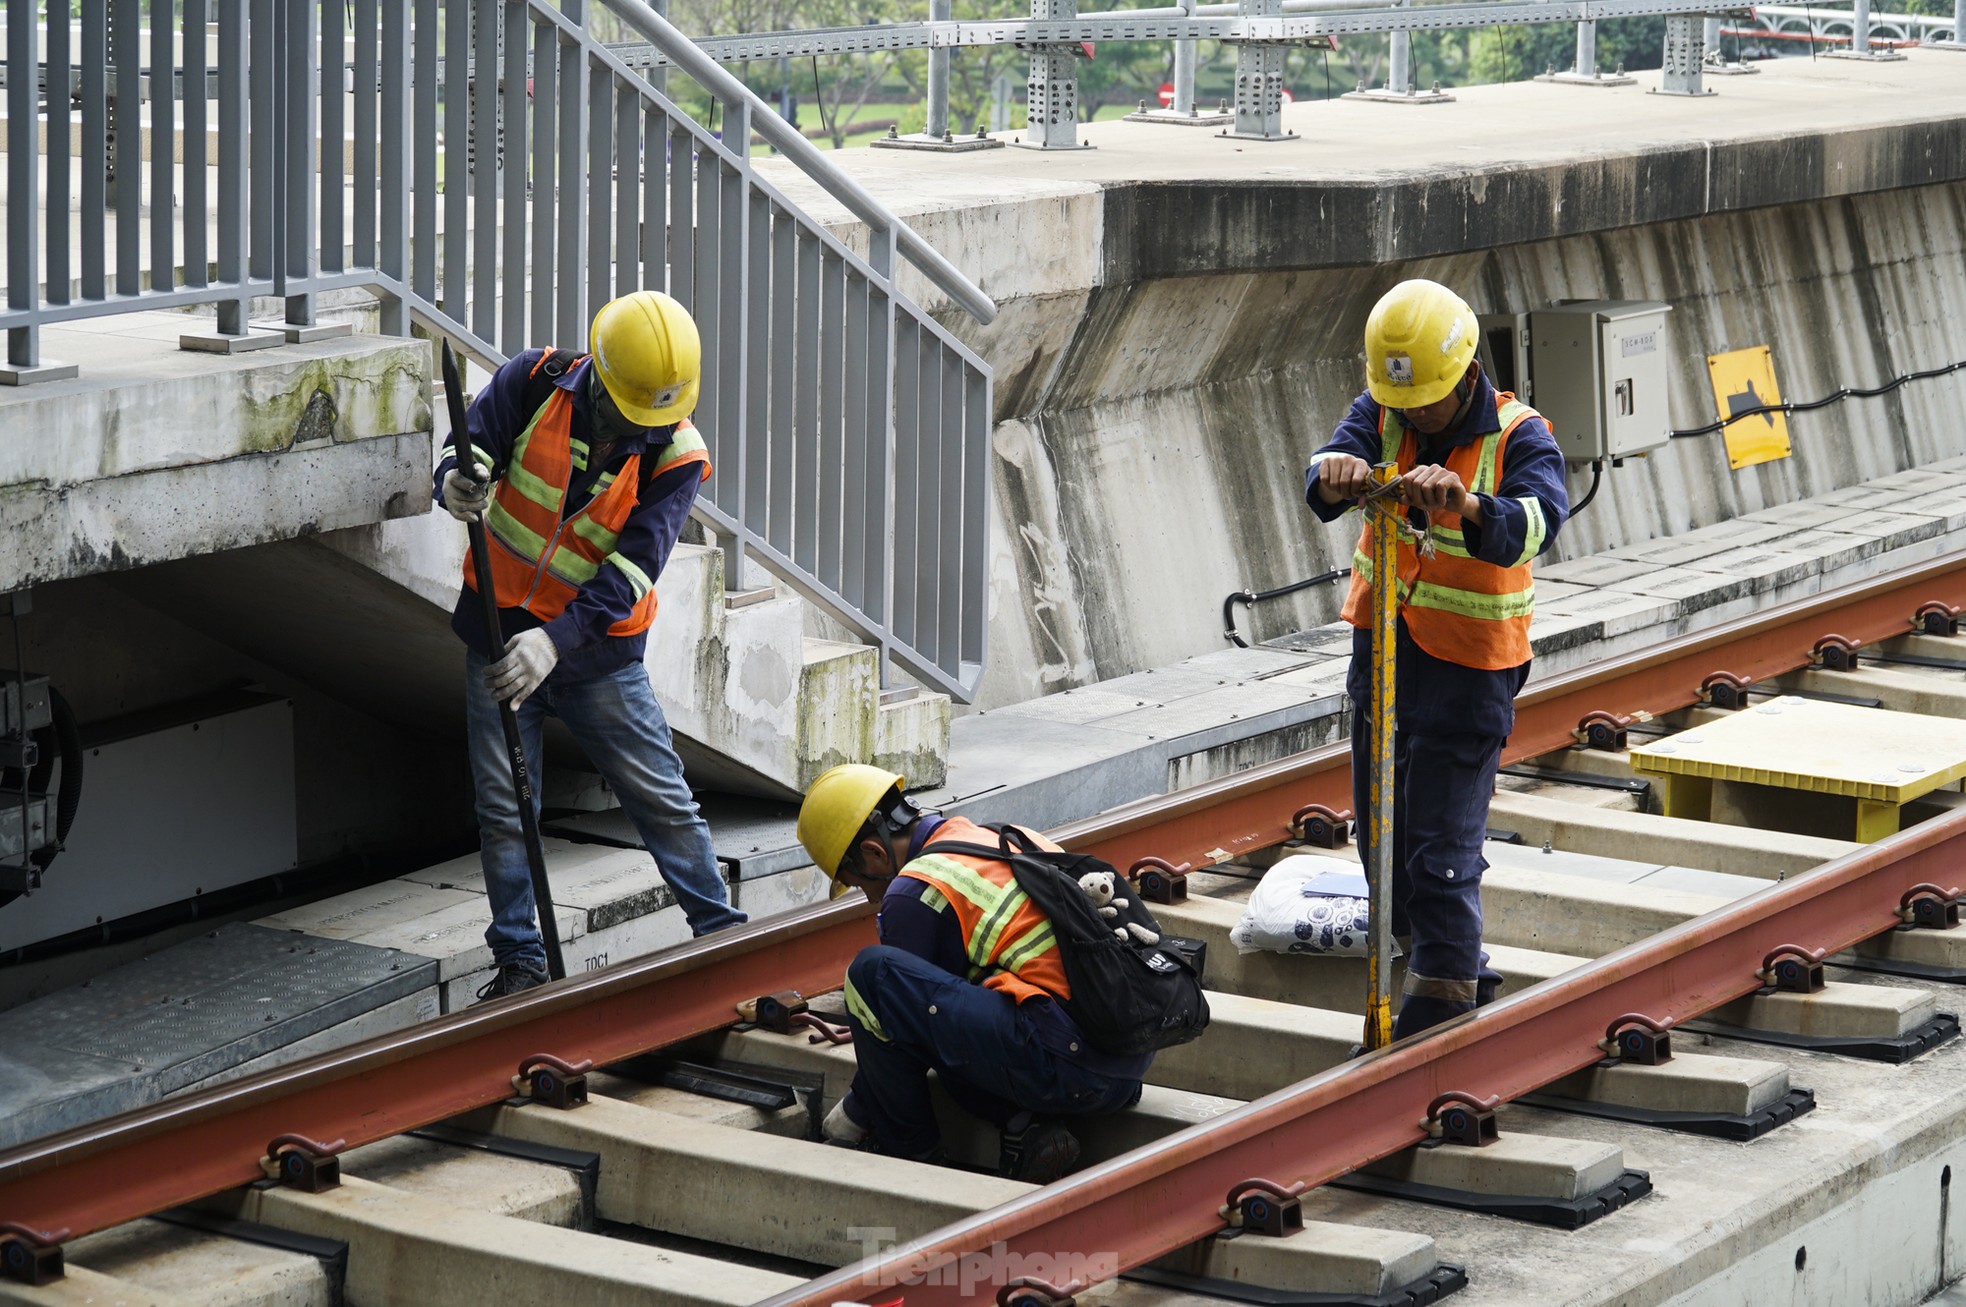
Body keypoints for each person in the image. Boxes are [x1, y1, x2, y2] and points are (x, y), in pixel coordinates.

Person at [437, 290, 746, 1002]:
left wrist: (558, 639)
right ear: (599, 380)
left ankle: (727, 941)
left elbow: (631, 571)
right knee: (505, 807)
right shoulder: (534, 381)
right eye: (631, 411)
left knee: (663, 802)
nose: (641, 427)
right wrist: (457, 480)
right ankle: (520, 962)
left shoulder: (676, 455)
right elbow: (471, 441)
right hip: (498, 635)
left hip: (597, 658)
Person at [1303, 279, 1569, 1039]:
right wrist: (1334, 471)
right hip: (1384, 651)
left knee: (1440, 844)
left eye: (1429, 399)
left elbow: (1538, 524)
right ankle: (1437, 957)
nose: (1416, 414)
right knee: (1381, 836)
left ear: (1463, 375)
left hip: (1470, 666)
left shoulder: (1520, 434)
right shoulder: (1381, 410)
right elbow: (1324, 471)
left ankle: (1447, 983)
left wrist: (1470, 506)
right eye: (1406, 400)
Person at [794, 764, 1149, 1183]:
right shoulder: (997, 837)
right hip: (1126, 1067)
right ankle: (1025, 1127)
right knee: (969, 993)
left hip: (1068, 1069)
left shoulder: (914, 891)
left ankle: (913, 1154)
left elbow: (906, 1025)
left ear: (874, 852)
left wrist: (855, 1111)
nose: (870, 896)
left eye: (857, 883)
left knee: (872, 978)